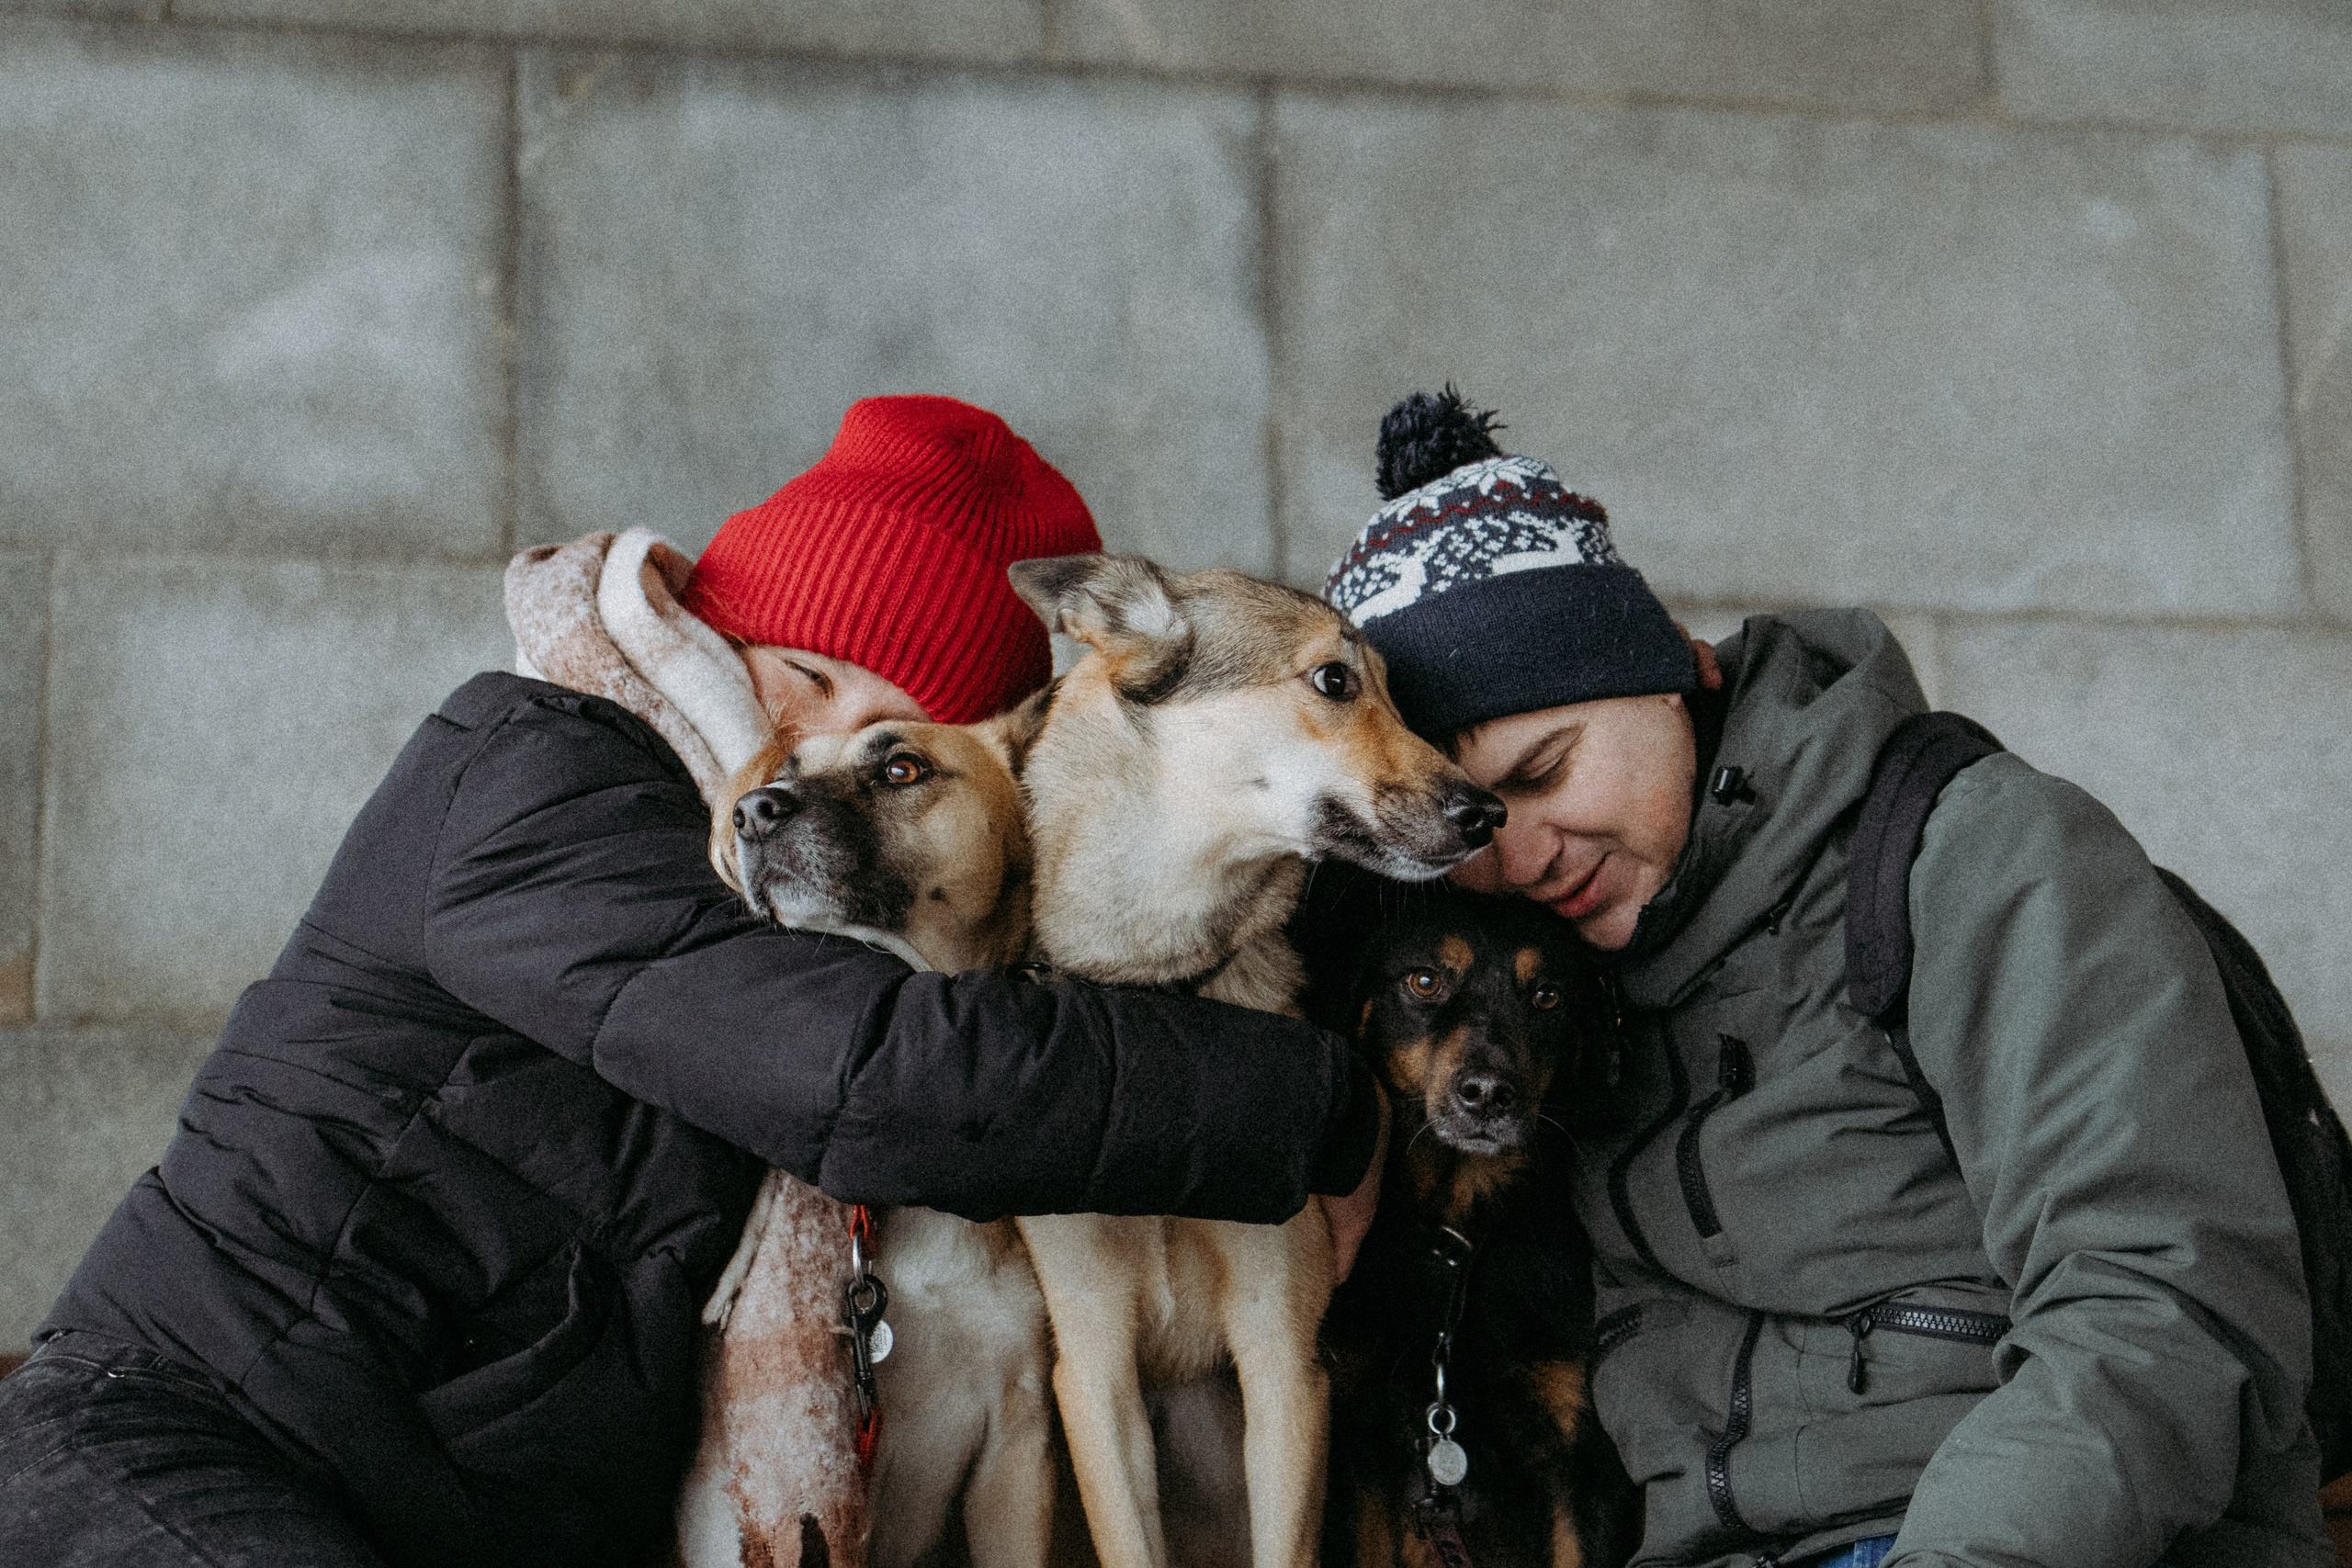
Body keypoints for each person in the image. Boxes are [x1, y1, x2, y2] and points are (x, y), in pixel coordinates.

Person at [0, 395, 1385, 1568]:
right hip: (182, 1440)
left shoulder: (820, 930)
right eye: (803, 672)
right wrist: (1326, 1101)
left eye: (893, 737)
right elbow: (882, 1074)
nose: (810, 755)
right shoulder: (536, 767)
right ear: (715, 626)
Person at [1316, 389, 2329, 1568]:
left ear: (1673, 669)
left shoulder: (1978, 859)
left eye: (1547, 769)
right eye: (1474, 829)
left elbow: (2166, 1299)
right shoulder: (1564, 976)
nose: (1525, 853)